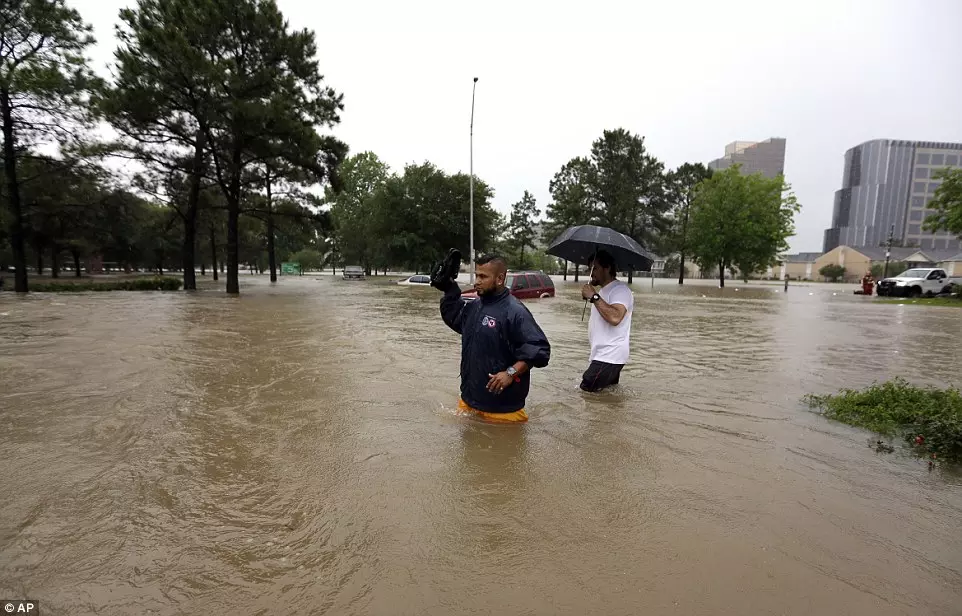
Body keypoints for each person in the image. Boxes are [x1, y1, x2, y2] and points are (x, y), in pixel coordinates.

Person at [432, 251, 550, 423]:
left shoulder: (515, 312)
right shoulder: (474, 306)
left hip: (503, 410)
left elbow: (539, 350)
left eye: (483, 277)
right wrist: (449, 288)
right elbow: (455, 318)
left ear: (500, 279)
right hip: (469, 402)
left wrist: (510, 373)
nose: (477, 281)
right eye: (476, 275)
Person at [580, 250, 634, 392]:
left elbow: (615, 317)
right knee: (605, 396)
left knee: (586, 391)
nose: (591, 273)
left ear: (607, 268)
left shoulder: (620, 290)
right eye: (590, 269)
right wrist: (594, 296)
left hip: (609, 355)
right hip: (604, 355)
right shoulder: (603, 291)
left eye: (595, 268)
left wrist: (594, 296)